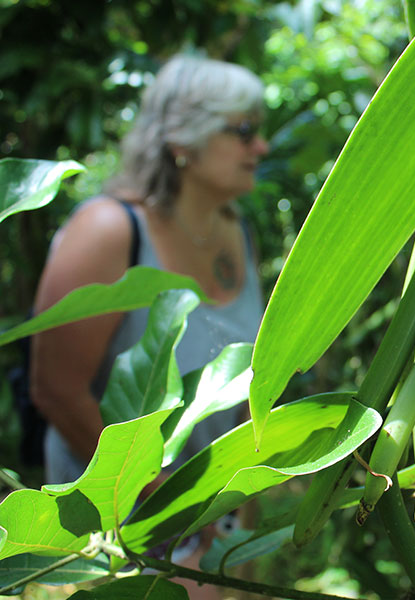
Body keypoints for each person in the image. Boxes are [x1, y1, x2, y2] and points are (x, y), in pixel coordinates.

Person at [29, 54, 269, 598]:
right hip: (117, 535)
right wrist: (171, 509)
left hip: (213, 529)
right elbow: (56, 390)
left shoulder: (236, 230)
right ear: (184, 139)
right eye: (245, 131)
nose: (262, 148)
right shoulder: (109, 231)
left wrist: (233, 525)